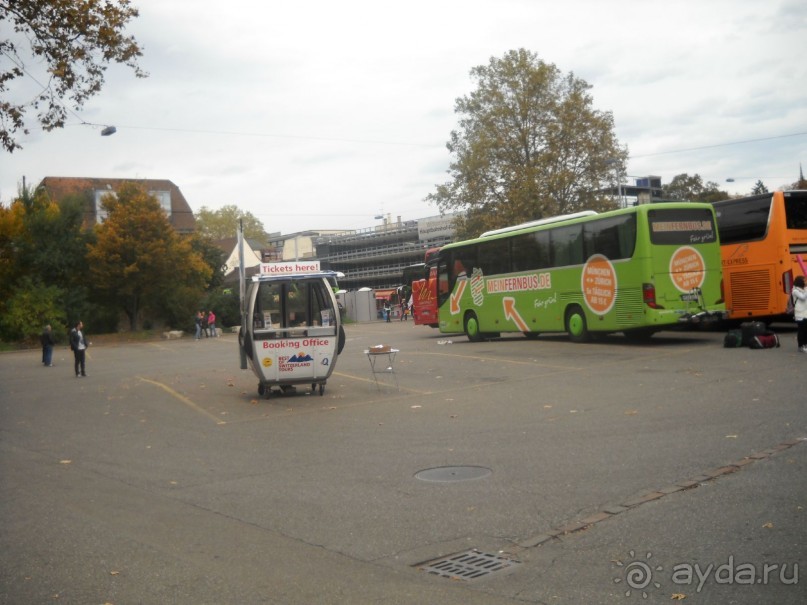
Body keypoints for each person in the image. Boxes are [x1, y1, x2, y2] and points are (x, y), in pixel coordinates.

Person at [792, 276, 807, 351]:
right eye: (804, 280)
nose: (805, 282)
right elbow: (802, 297)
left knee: (806, 330)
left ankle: (805, 344)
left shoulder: (804, 289)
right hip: (799, 313)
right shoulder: (795, 291)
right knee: (802, 330)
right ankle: (801, 346)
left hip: (805, 312)